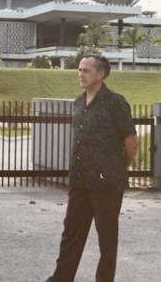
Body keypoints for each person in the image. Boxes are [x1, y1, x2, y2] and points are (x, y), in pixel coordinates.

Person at [45, 55, 139, 282]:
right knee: (71, 234)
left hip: (107, 183)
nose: (81, 74)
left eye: (86, 70)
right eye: (79, 70)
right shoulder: (78, 102)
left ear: (101, 74)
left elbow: (131, 139)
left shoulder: (115, 102)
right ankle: (60, 279)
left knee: (106, 239)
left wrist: (119, 168)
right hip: (80, 181)